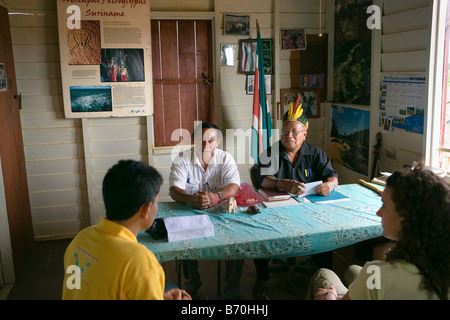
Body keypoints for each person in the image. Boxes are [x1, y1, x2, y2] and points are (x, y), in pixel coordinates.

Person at [309, 164, 450, 300]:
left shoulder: (378, 273)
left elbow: (378, 280)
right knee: (353, 270)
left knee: (324, 274)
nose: (378, 212)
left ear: (406, 217)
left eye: (384, 205)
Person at [62, 160, 191, 300]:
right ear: (146, 209)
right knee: (174, 289)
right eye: (156, 201)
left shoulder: (81, 238)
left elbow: (82, 289)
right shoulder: (141, 262)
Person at [252, 95, 338, 299]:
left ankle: (325, 278)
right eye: (284, 131)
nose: (288, 135)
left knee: (326, 234)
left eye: (294, 131)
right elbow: (261, 180)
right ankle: (262, 277)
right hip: (276, 210)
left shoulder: (316, 154)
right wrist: (282, 183)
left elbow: (332, 175)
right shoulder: (271, 153)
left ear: (304, 133)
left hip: (310, 211)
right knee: (256, 235)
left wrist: (330, 186)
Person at [169, 122, 243, 299]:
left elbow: (234, 186)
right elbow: (174, 190)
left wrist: (217, 197)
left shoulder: (226, 159)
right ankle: (192, 284)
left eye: (210, 140)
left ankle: (231, 292)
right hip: (189, 210)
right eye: (201, 140)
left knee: (237, 242)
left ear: (217, 141)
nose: (205, 145)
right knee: (182, 239)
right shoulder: (181, 158)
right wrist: (190, 199)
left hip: (219, 211)